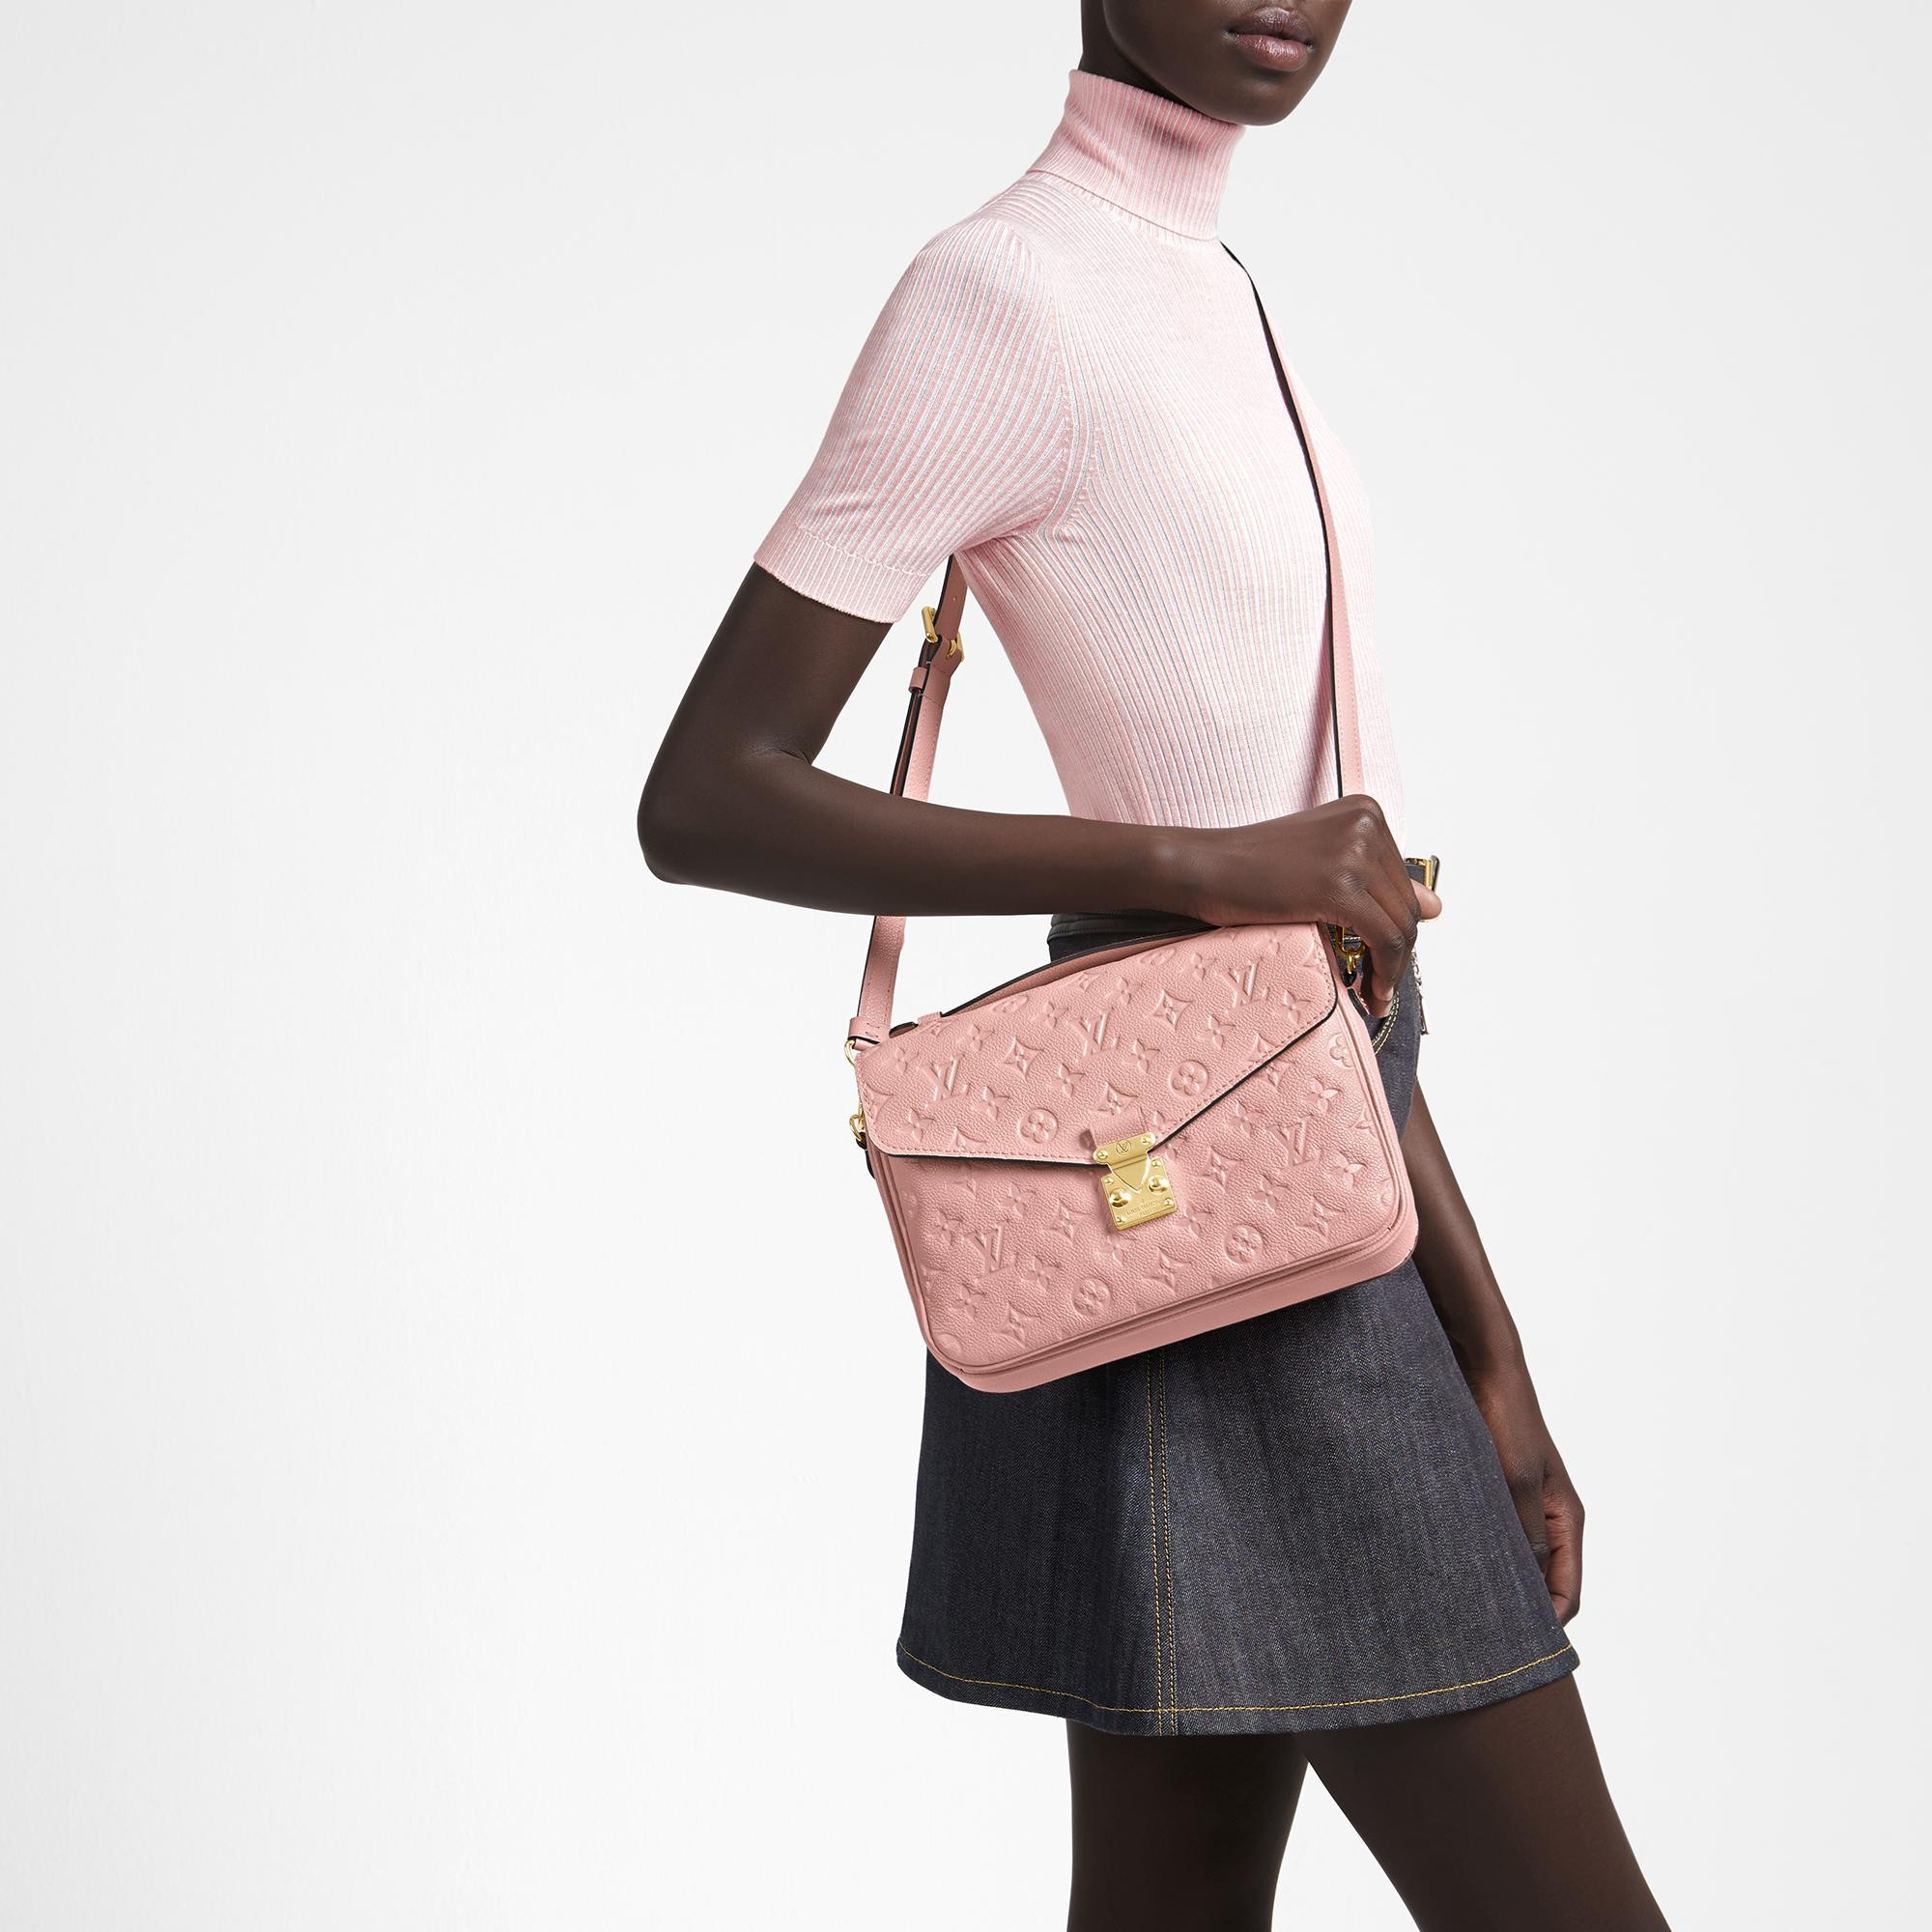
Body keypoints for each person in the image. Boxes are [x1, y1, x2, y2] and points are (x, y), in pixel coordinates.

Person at [639, 5, 1669, 1926]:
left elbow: (1320, 977)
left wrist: (1489, 1352)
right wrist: (1194, 861)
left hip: (1283, 1156)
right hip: (1177, 1193)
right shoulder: (1003, 296)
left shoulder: (1214, 287)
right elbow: (707, 795)